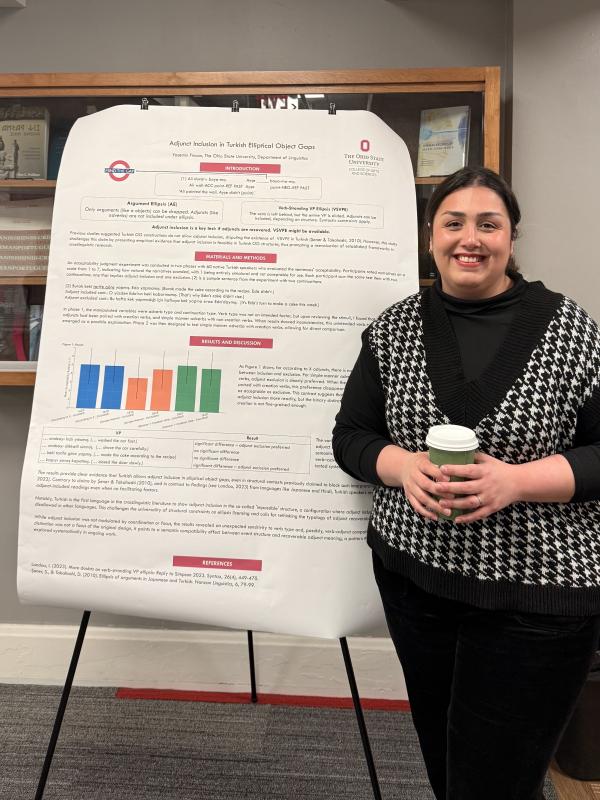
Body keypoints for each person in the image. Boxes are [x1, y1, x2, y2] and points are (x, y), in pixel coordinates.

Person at [332, 166, 600, 800]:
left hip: (536, 596)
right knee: (446, 761)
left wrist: (516, 482)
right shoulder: (394, 330)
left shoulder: (573, 332)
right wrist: (403, 467)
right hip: (416, 584)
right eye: (454, 223)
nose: (469, 238)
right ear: (432, 236)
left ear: (512, 237)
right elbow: (351, 436)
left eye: (489, 223)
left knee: (495, 780)